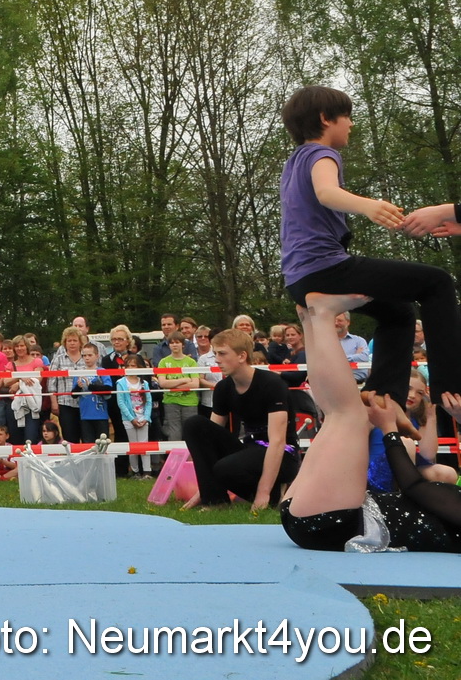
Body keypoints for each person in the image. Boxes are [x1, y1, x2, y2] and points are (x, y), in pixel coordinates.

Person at [278, 85, 460, 407]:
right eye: (347, 116)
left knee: (398, 313)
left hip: (298, 277)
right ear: (325, 118)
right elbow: (326, 192)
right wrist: (369, 206)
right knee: (437, 282)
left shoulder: (293, 163)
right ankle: (451, 387)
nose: (351, 124)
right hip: (326, 268)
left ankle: (382, 396)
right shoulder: (322, 154)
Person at [280, 295, 461, 554]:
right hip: (322, 516)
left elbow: (413, 485)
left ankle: (322, 317)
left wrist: (389, 430)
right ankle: (311, 319)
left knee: (350, 414)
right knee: (339, 413)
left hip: (331, 521)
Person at [180, 328, 299, 511]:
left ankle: (272, 494)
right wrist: (205, 488)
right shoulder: (223, 388)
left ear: (242, 356)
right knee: (195, 424)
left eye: (222, 354)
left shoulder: (272, 384)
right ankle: (214, 500)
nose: (217, 359)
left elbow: (277, 442)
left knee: (225, 467)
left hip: (283, 454)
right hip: (250, 448)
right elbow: (209, 436)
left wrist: (263, 492)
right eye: (215, 353)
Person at [155, 332, 201, 443]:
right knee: (174, 432)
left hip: (190, 402)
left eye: (177, 342)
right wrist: (184, 380)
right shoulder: (163, 362)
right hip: (170, 401)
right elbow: (162, 383)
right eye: (171, 343)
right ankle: (176, 454)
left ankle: (191, 454)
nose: (174, 345)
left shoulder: (191, 362)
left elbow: (195, 384)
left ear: (183, 345)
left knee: (191, 431)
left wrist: (172, 384)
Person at [115, 361, 154, 478]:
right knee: (133, 445)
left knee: (144, 444)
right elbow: (121, 402)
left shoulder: (144, 383)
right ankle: (135, 471)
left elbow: (149, 401)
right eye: (128, 366)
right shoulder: (121, 383)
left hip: (143, 417)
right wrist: (132, 419)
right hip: (128, 419)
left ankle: (147, 471)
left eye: (133, 365)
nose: (130, 368)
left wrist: (146, 418)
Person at [73, 344, 111, 444]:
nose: (87, 358)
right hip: (85, 415)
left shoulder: (102, 371)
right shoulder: (79, 373)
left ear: (97, 356)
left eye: (90, 355)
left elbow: (108, 389)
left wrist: (91, 386)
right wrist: (78, 387)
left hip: (101, 415)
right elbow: (73, 395)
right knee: (87, 443)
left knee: (103, 443)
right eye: (84, 355)